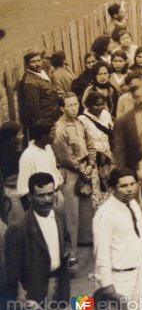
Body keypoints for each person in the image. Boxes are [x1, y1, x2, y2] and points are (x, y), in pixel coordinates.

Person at [4, 172, 71, 310]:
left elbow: (66, 239)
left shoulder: (59, 215)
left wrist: (67, 251)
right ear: (30, 198)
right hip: (34, 294)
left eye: (50, 194)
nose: (47, 199)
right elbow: (12, 271)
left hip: (59, 285)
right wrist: (22, 296)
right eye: (40, 195)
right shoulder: (19, 227)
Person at [93, 168, 142, 310]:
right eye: (123, 186)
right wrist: (106, 284)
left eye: (132, 184)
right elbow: (101, 252)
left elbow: (139, 232)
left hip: (138, 272)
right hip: (119, 279)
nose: (130, 189)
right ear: (112, 189)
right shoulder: (104, 215)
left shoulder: (133, 205)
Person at [52, 93, 95, 263]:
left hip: (85, 169)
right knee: (72, 212)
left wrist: (91, 163)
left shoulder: (80, 123)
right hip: (70, 172)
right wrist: (81, 169)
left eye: (76, 104)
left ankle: (87, 243)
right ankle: (72, 252)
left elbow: (90, 144)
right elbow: (65, 157)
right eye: (70, 106)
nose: (74, 108)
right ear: (62, 108)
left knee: (87, 208)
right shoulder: (59, 129)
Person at [17, 120, 64, 212]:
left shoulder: (48, 148)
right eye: (52, 133)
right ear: (43, 137)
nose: (55, 136)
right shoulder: (28, 156)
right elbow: (23, 189)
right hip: (42, 202)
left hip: (56, 195)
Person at [18, 51, 61, 135]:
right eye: (33, 62)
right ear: (26, 64)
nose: (37, 64)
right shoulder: (30, 83)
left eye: (38, 60)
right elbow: (34, 110)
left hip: (53, 117)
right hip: (46, 121)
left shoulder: (41, 73)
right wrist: (43, 127)